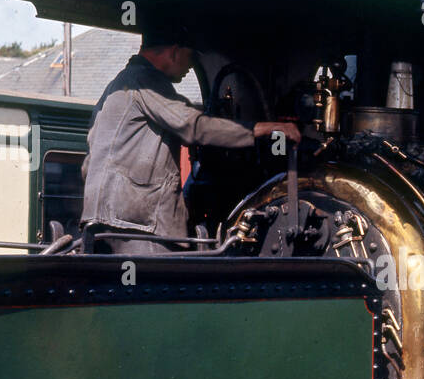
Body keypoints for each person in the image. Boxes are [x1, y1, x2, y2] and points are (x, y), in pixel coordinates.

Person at [81, 26, 298, 255]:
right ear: (175, 52)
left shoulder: (116, 86)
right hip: (138, 225)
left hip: (101, 223)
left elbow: (90, 162)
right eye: (190, 57)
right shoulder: (146, 81)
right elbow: (192, 126)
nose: (190, 66)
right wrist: (263, 129)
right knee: (156, 284)